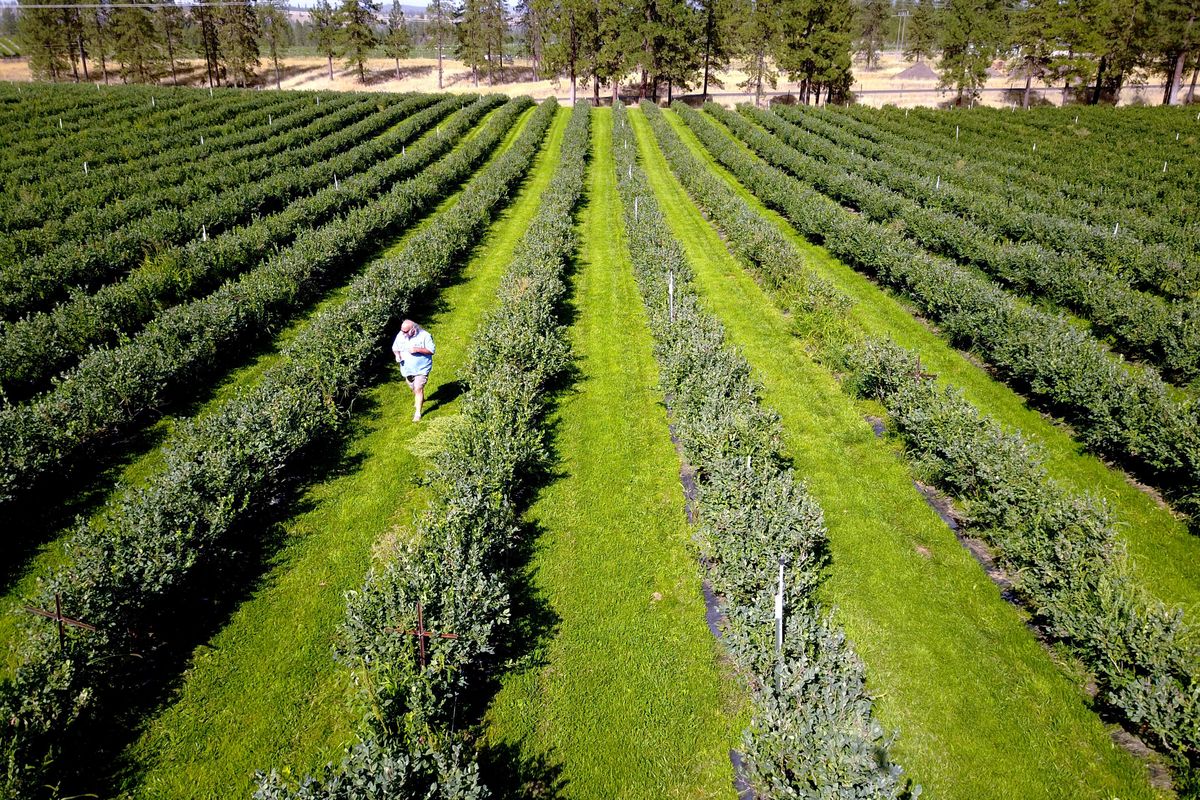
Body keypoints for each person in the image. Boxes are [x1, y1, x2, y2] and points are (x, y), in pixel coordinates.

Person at [392, 319, 436, 422]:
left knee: (418, 388)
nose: (403, 333)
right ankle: (420, 398)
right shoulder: (401, 335)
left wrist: (417, 349)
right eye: (402, 331)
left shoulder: (425, 336)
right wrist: (397, 356)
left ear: (413, 329)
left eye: (406, 331)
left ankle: (418, 413)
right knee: (414, 388)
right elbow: (395, 348)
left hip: (421, 369)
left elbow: (431, 351)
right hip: (407, 369)